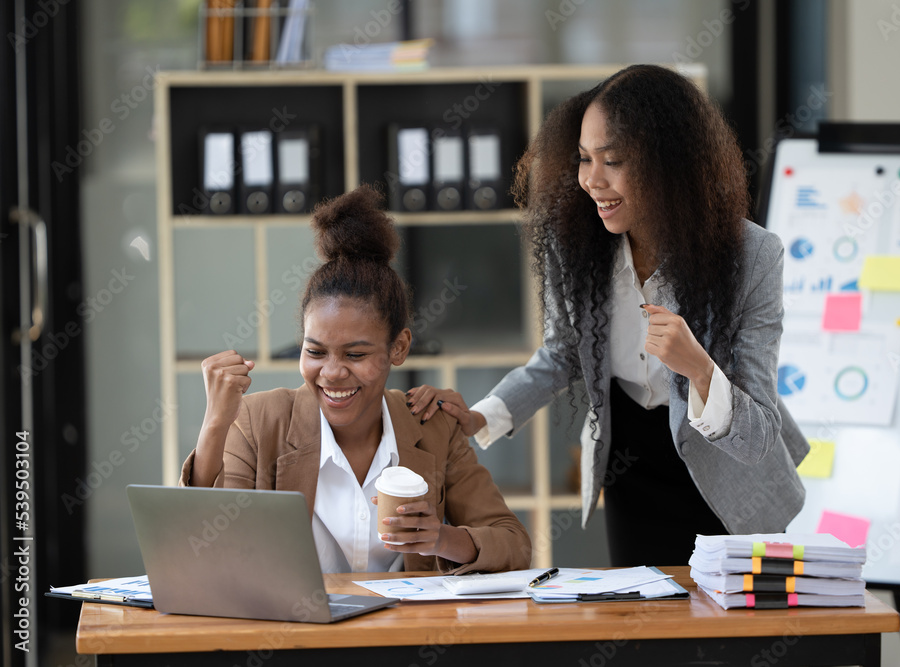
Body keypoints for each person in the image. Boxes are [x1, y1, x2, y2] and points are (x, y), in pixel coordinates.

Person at [407, 64, 809, 567]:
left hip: (730, 478)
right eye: (583, 159)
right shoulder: (575, 245)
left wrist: (701, 370)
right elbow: (562, 354)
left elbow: (759, 433)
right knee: (643, 624)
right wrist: (481, 415)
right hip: (629, 465)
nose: (592, 181)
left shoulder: (753, 255)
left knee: (725, 633)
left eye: (613, 160)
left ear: (669, 163)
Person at [181, 184, 531, 574]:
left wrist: (441, 539)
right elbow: (204, 553)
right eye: (315, 351)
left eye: (355, 354)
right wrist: (215, 424)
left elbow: (514, 544)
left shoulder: (431, 426)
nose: (332, 373)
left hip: (406, 634)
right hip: (298, 633)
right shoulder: (259, 421)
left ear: (398, 348)